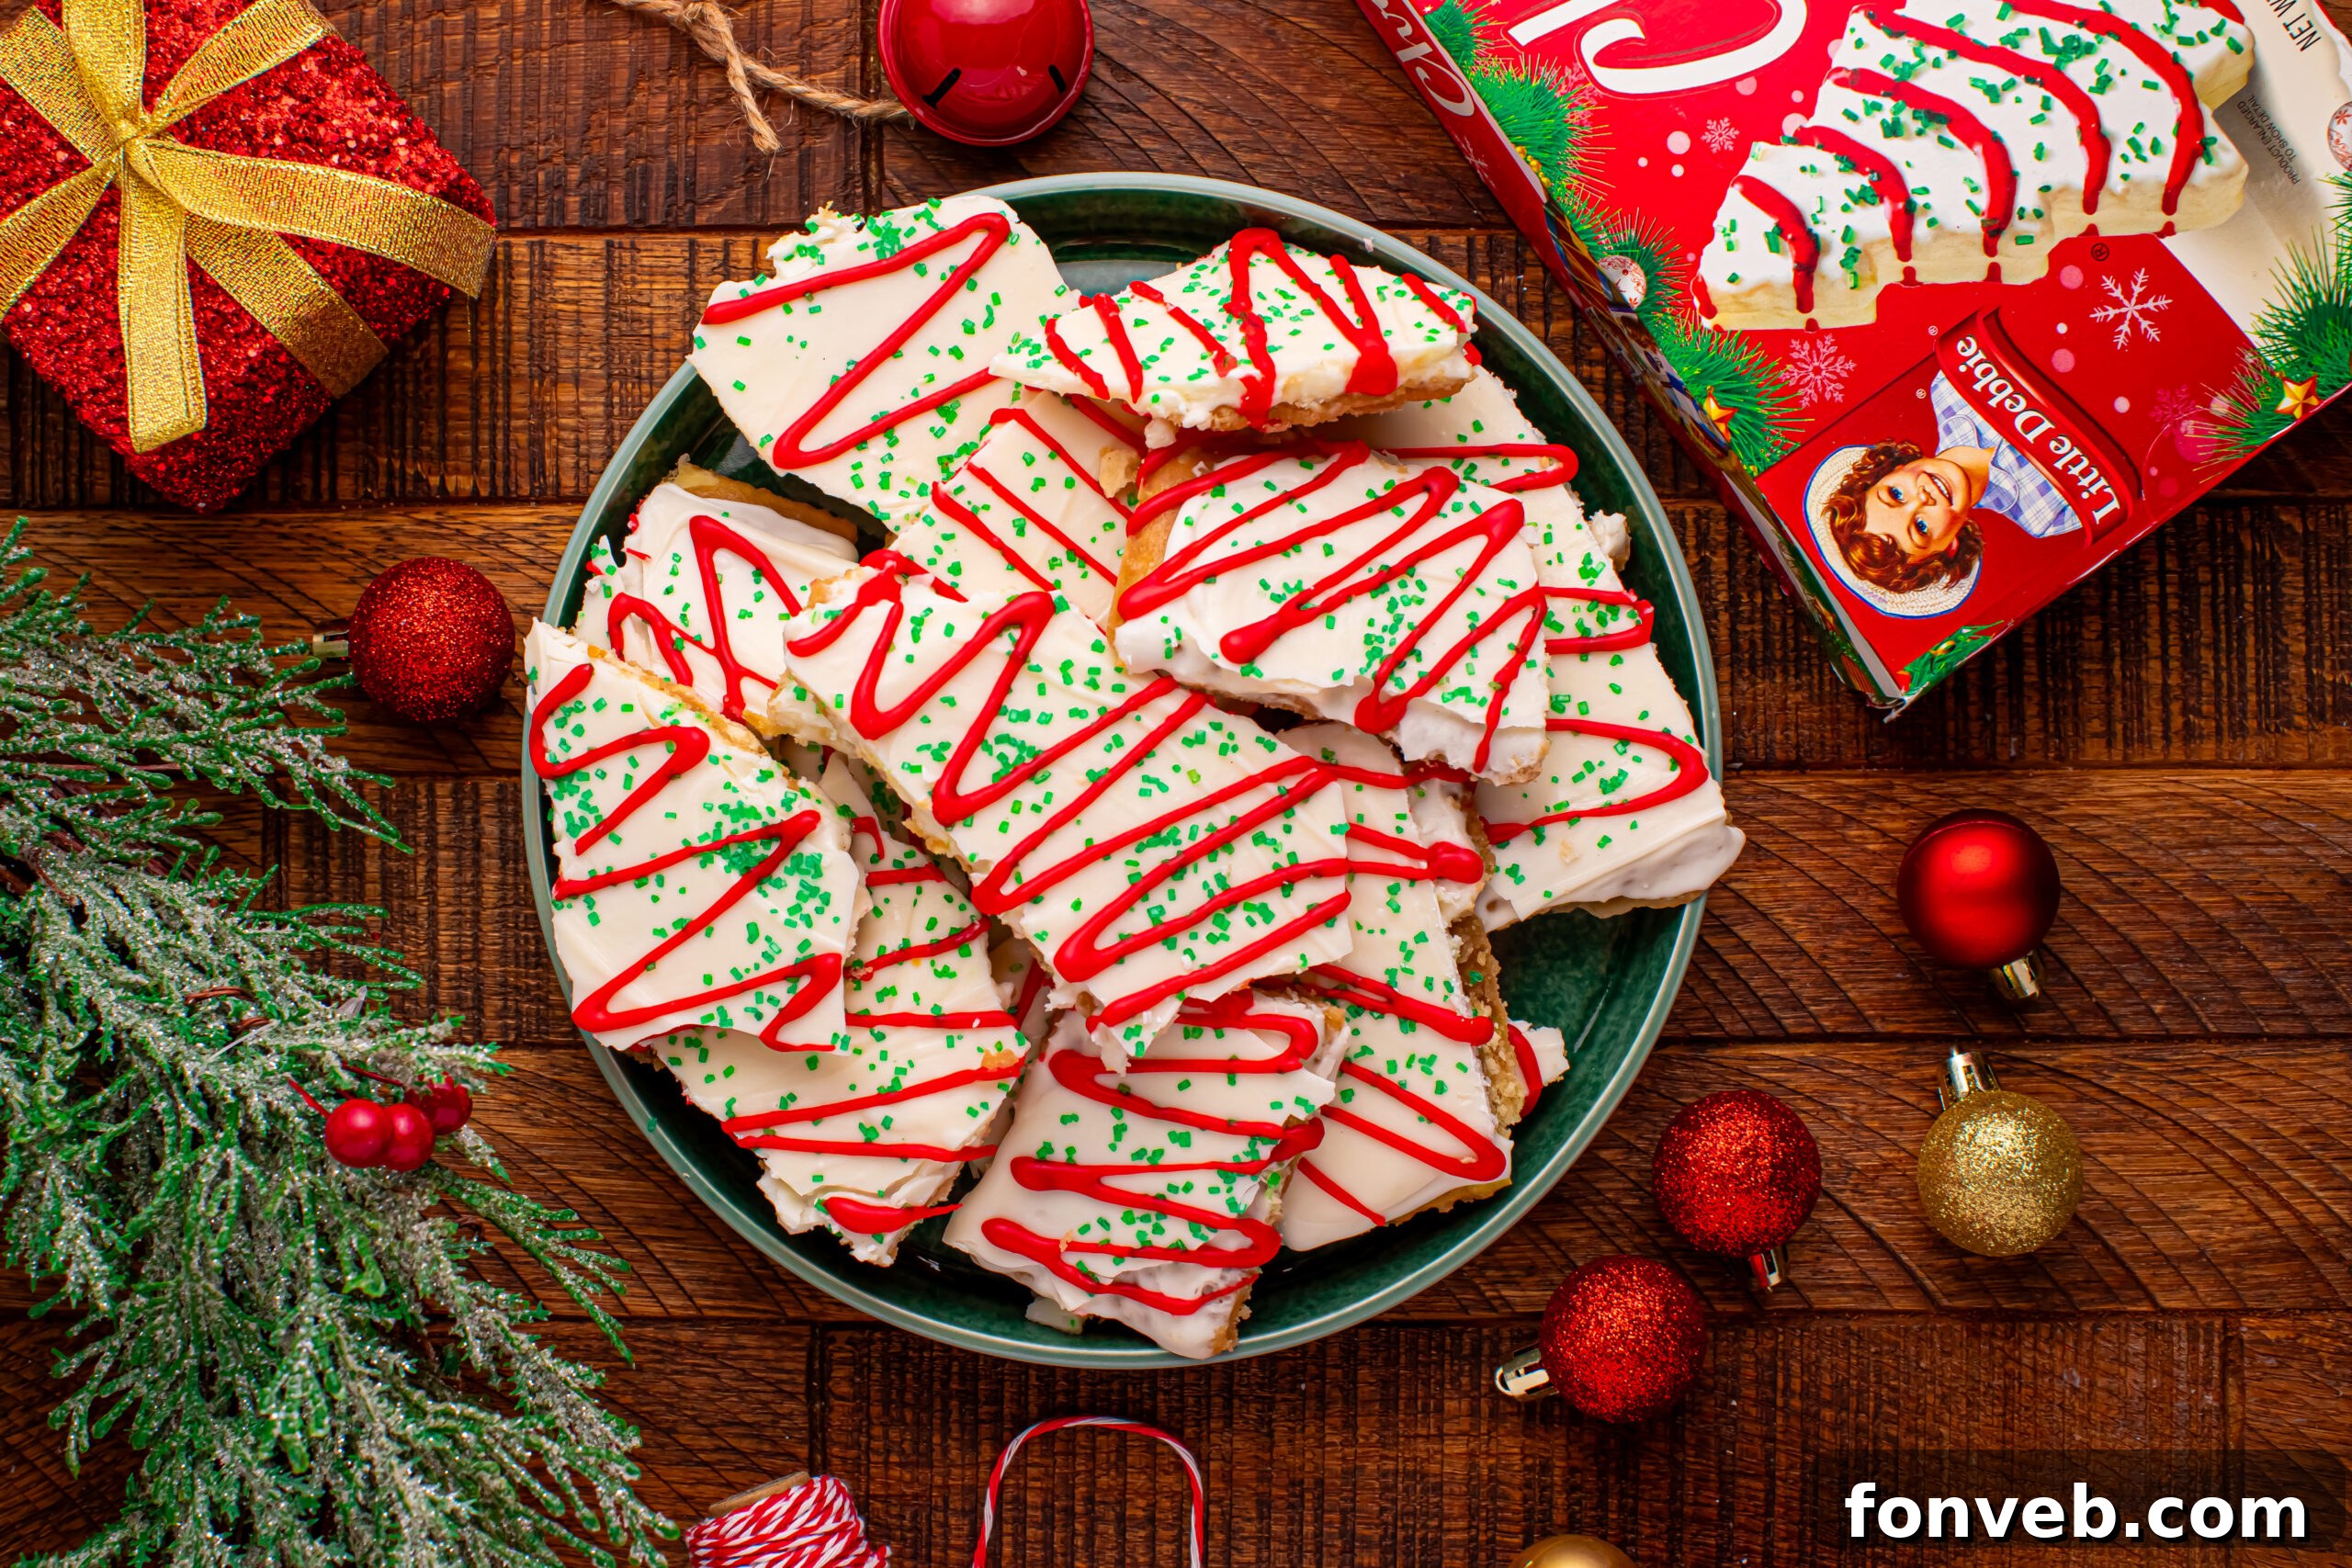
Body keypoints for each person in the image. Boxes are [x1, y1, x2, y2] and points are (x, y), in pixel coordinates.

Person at [1817, 372, 2085, 598]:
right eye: (1920, 527)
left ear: (1889, 470)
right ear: (1949, 547)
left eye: (1896, 494)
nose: (1922, 499)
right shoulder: (2044, 517)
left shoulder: (1949, 389)